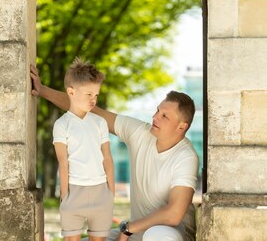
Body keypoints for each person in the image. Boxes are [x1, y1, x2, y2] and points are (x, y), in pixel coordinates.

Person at [31, 64, 199, 241]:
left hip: (169, 235)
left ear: (182, 126)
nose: (155, 117)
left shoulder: (186, 157)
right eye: (158, 110)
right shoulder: (140, 132)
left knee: (156, 235)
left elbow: (174, 214)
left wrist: (128, 228)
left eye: (165, 116)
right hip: (135, 233)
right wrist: (42, 91)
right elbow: (85, 109)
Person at [50, 58, 115, 241]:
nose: (93, 100)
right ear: (71, 92)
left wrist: (111, 194)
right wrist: (65, 196)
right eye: (89, 94)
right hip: (73, 193)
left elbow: (107, 158)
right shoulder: (61, 125)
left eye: (96, 95)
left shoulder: (100, 123)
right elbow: (63, 162)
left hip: (101, 192)